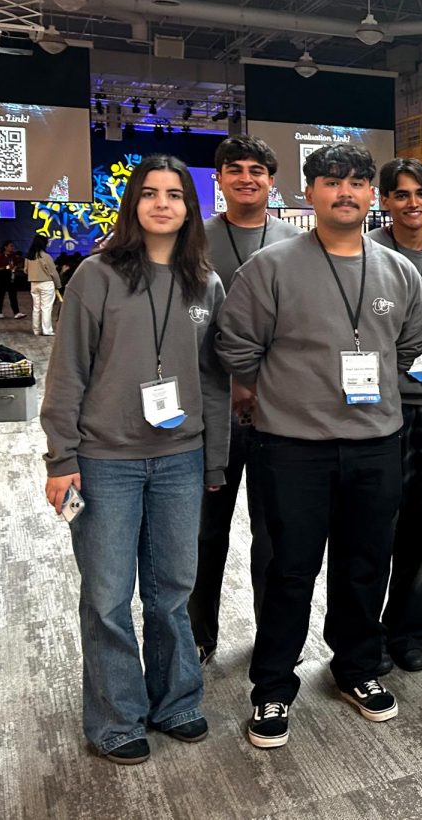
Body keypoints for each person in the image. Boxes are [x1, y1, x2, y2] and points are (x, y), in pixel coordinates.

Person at [217, 144, 422, 746]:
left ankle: (357, 667)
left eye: (358, 183)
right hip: (291, 448)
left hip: (375, 444)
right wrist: (279, 392)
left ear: (371, 195)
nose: (346, 192)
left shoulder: (399, 271)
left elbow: (410, 345)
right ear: (308, 193)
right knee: (289, 568)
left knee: (365, 564)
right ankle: (272, 686)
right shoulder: (271, 267)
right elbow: (235, 345)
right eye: (331, 182)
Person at [40, 154, 230, 765]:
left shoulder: (207, 282)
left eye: (175, 194)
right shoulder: (96, 276)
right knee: (107, 594)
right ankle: (117, 718)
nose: (163, 203)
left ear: (190, 208)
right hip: (104, 461)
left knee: (172, 590)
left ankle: (176, 702)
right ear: (134, 204)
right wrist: (59, 458)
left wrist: (214, 460)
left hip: (180, 457)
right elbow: (66, 372)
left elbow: (215, 382)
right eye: (150, 193)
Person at [187, 135, 301, 668]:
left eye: (258, 169)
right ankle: (198, 634)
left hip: (280, 409)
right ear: (220, 179)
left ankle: (274, 639)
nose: (247, 178)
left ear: (272, 181)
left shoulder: (297, 241)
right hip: (213, 409)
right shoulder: (195, 240)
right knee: (205, 530)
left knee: (274, 535)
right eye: (236, 169)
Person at [366, 158, 422, 674]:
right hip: (378, 411)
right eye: (401, 195)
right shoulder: (366, 256)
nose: (412, 204)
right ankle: (365, 634)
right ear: (386, 200)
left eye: (421, 194)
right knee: (373, 528)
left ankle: (411, 633)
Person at [25, 234, 61, 336]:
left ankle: (36, 330)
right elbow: (53, 272)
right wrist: (58, 285)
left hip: (33, 284)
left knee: (36, 308)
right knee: (46, 308)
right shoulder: (46, 256)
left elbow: (25, 270)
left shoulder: (28, 256)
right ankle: (47, 330)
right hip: (46, 284)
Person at [0, 240, 25, 319]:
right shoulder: (0, 256)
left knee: (13, 295)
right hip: (1, 278)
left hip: (11, 278)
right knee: (1, 295)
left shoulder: (13, 256)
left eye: (13, 246)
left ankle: (16, 313)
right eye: (11, 246)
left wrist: (16, 267)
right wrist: (5, 267)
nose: (13, 248)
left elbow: (16, 264)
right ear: (5, 247)